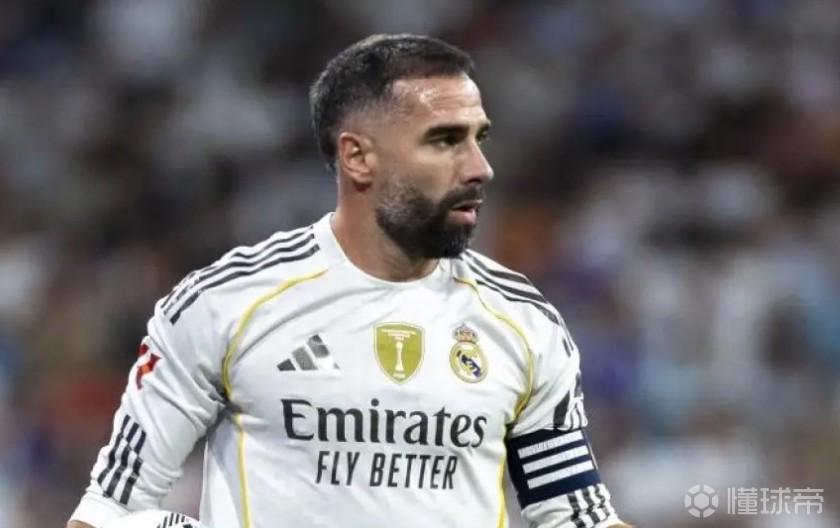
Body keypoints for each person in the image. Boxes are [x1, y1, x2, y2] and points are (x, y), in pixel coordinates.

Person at [67, 34, 632, 528]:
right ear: (358, 157)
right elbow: (110, 511)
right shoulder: (224, 304)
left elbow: (577, 517)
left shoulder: (524, 321)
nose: (479, 167)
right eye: (444, 140)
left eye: (478, 138)